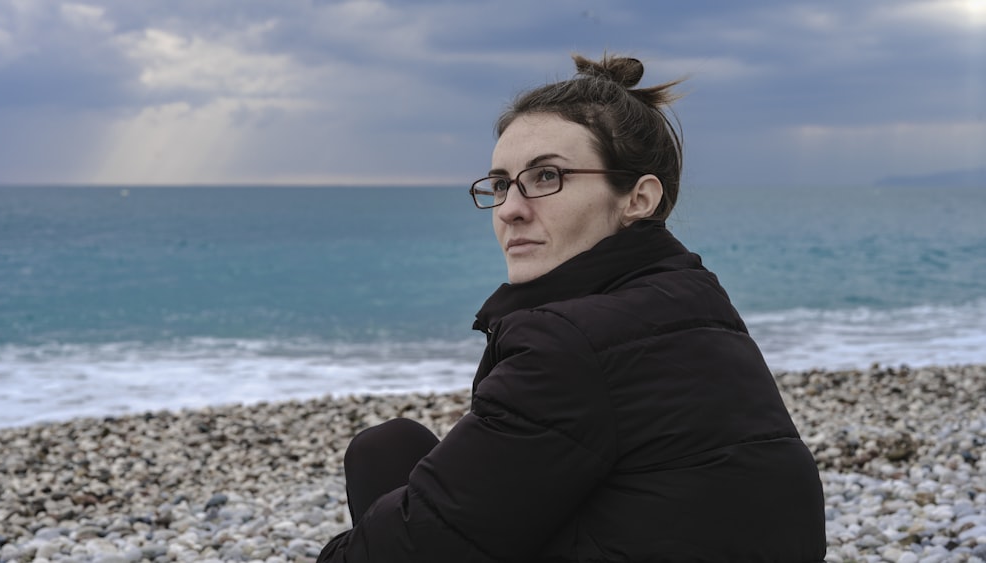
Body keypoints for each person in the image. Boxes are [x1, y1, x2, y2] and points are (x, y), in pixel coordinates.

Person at [318, 53, 826, 562]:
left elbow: (422, 542)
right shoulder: (692, 299)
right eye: (500, 184)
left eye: (546, 178)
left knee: (385, 459)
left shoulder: (572, 341)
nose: (511, 209)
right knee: (391, 447)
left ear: (639, 199)